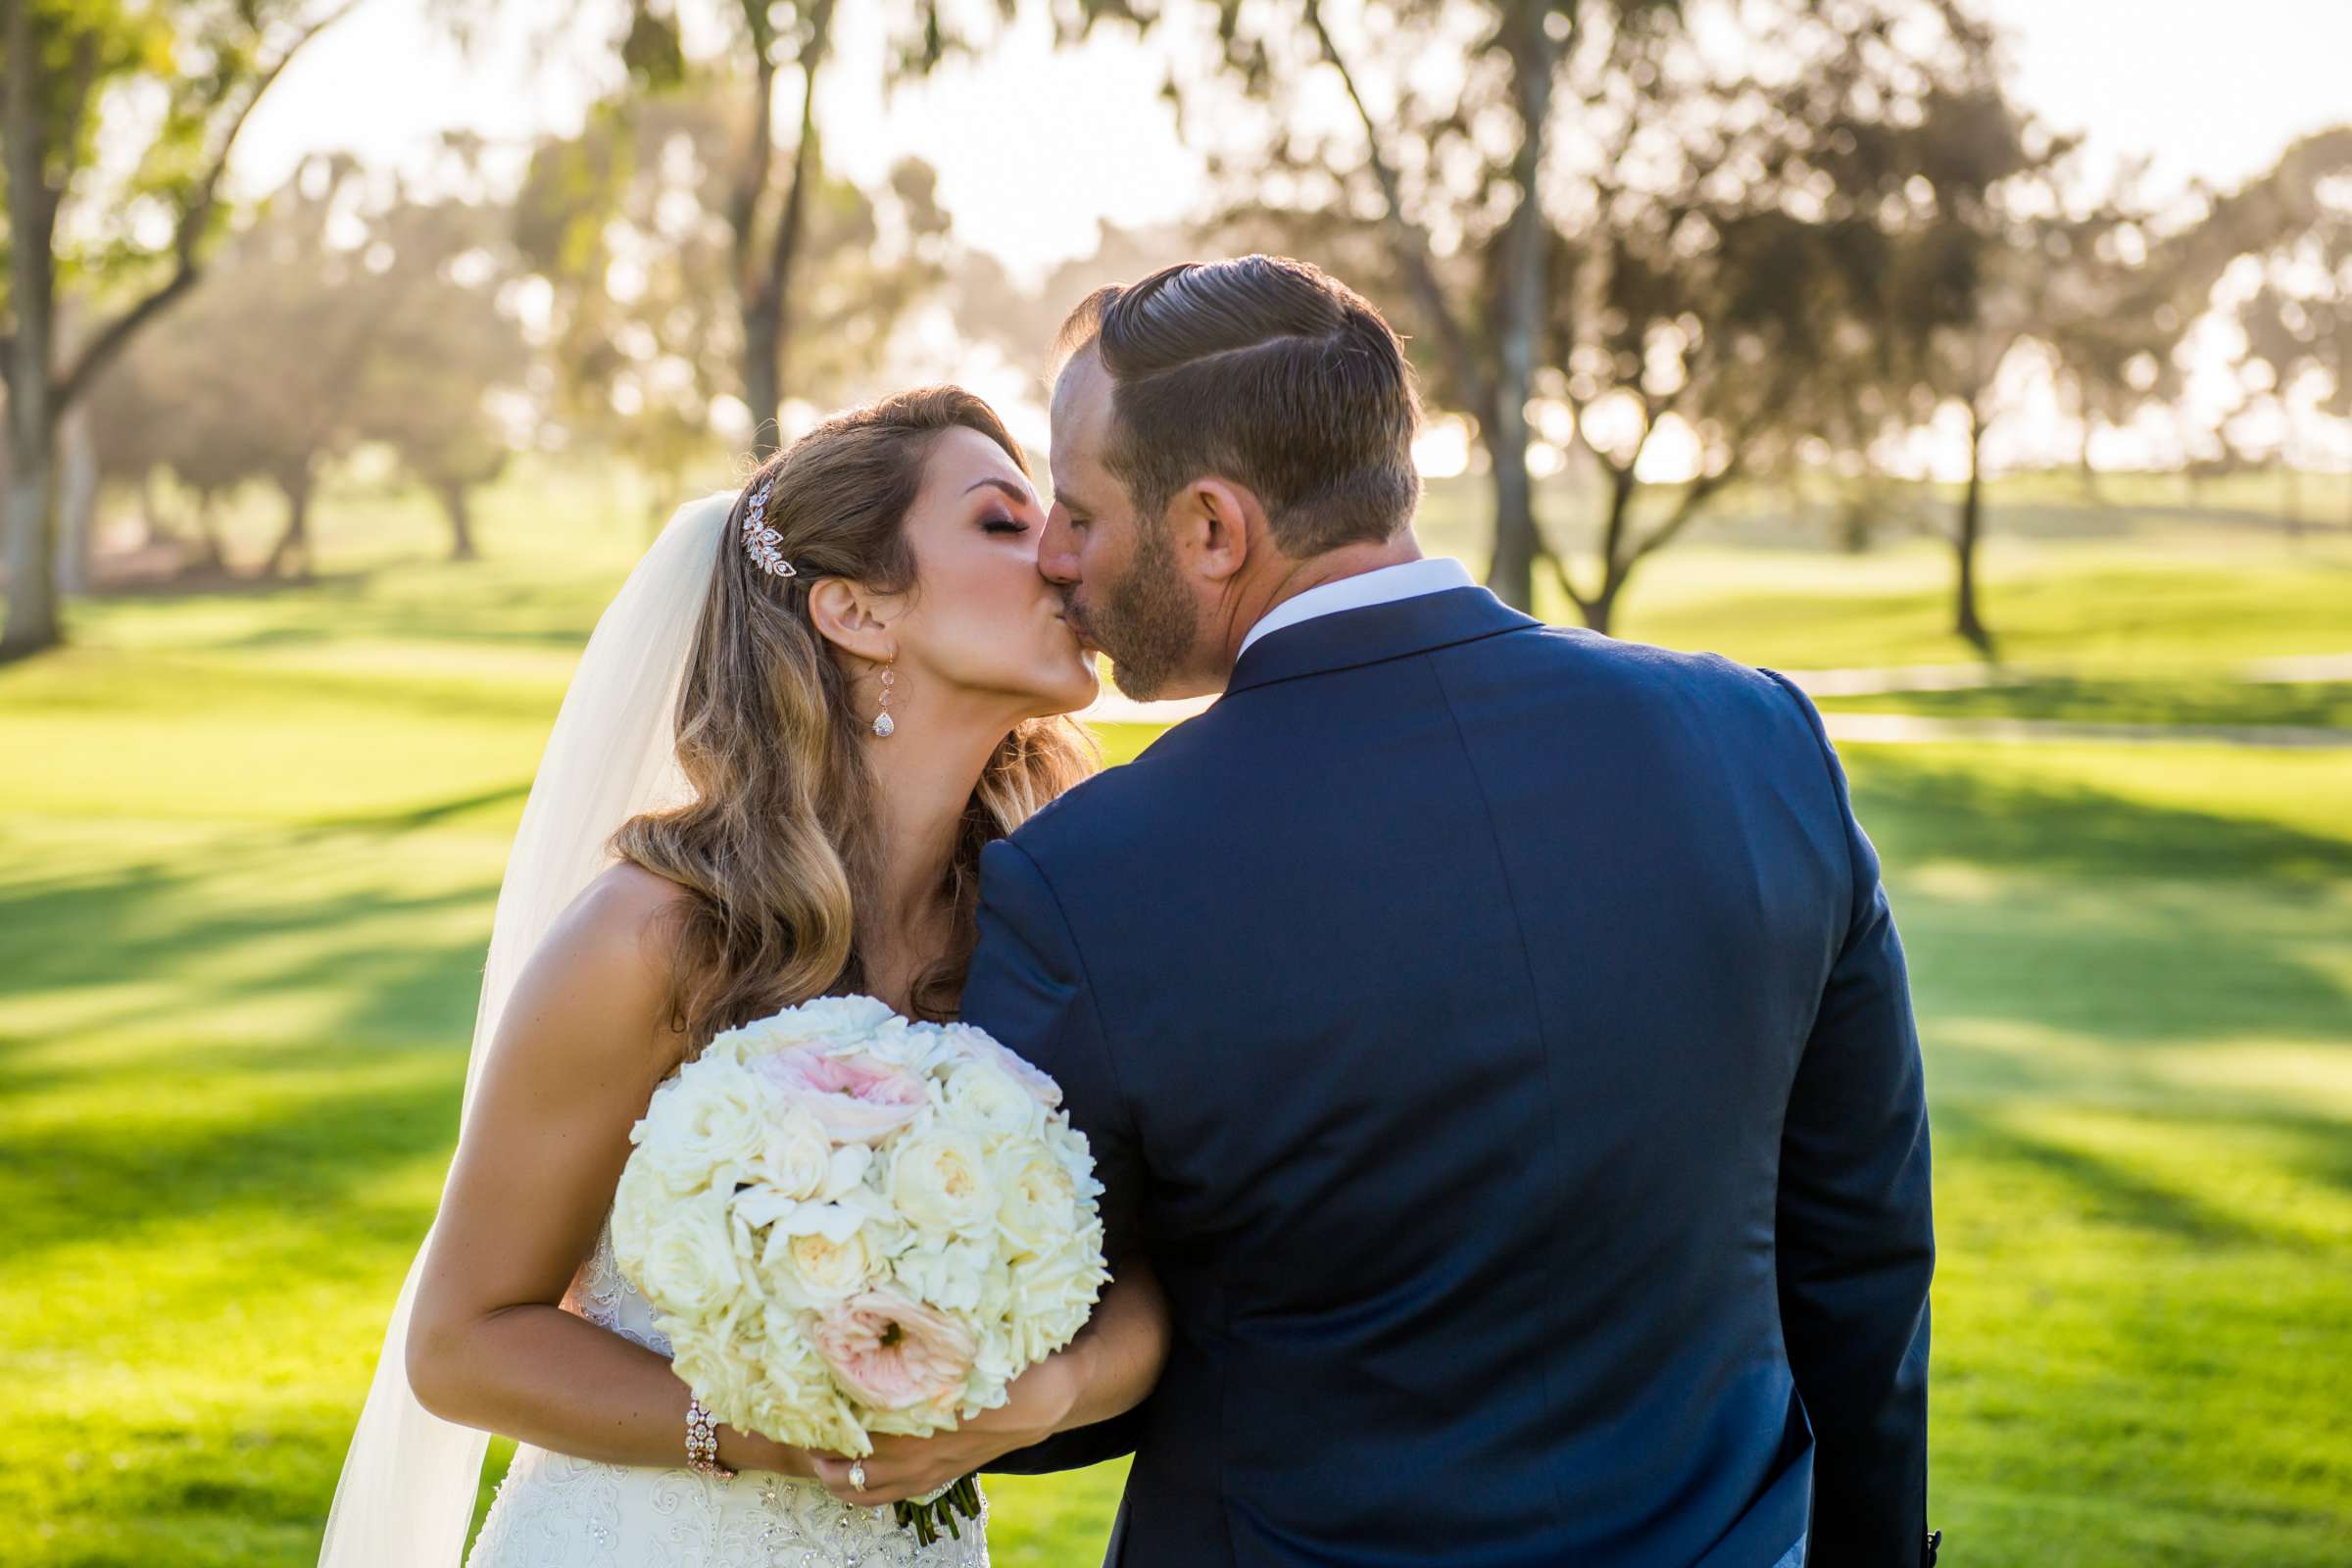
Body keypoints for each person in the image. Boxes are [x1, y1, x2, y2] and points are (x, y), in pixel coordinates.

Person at [820, 257, 1938, 1567]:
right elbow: (1858, 1250)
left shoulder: (1094, 875)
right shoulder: (1760, 743)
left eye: (1078, 511)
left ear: (1213, 531)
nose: (1058, 558)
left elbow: (1034, 1358)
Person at [318, 388, 1171, 1568]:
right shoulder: (655, 938)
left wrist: (1037, 1396)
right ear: (857, 610)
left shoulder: (1045, 929)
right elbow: (464, 1341)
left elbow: (1158, 1279)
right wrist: (766, 1436)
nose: (1065, 558)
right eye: (999, 521)